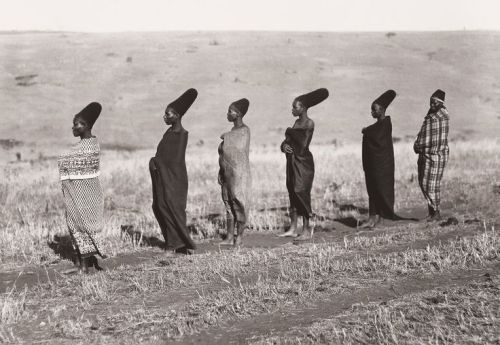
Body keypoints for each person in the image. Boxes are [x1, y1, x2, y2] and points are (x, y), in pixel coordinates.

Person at [58, 102, 106, 273]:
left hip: (87, 194)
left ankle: (84, 267)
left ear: (85, 125)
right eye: (74, 123)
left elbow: (66, 158)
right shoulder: (87, 145)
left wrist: (63, 158)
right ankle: (81, 263)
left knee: (83, 225)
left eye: (77, 123)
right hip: (77, 193)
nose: (73, 127)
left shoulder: (90, 146)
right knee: (74, 224)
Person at [149, 89, 198, 254]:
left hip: (175, 180)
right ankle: (172, 241)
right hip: (163, 177)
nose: (165, 117)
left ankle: (179, 244)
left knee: (174, 207)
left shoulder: (181, 135)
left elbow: (175, 161)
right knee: (161, 205)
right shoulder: (169, 133)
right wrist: (155, 162)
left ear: (177, 116)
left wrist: (157, 162)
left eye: (168, 114)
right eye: (165, 114)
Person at [279, 88, 329, 240]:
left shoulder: (309, 123)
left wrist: (289, 132)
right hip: (291, 161)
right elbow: (288, 142)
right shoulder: (296, 123)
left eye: (295, 106)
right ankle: (293, 228)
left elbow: (302, 143)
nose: (292, 109)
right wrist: (283, 146)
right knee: (292, 193)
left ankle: (308, 228)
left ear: (304, 108)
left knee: (301, 191)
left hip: (303, 163)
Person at [360, 90, 401, 229]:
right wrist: (367, 130)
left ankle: (382, 219)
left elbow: (377, 137)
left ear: (382, 110)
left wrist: (366, 131)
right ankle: (372, 218)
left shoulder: (386, 124)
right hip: (372, 165)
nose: (371, 112)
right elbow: (372, 132)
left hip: (383, 165)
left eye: (374, 109)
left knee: (382, 190)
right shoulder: (376, 126)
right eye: (371, 109)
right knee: (372, 190)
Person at [218, 98, 252, 246]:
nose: (227, 114)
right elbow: (225, 154)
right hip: (227, 173)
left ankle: (239, 236)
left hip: (239, 174)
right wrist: (221, 171)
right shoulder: (231, 132)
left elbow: (236, 152)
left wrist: (225, 138)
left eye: (230, 111)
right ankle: (229, 236)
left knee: (239, 202)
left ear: (238, 114)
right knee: (228, 204)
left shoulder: (244, 131)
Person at [413, 89, 449, 221]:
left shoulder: (442, 117)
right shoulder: (430, 115)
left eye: (434, 103)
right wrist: (417, 145)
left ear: (441, 103)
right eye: (430, 103)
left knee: (432, 184)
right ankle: (431, 213)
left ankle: (437, 213)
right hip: (425, 154)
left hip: (437, 155)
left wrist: (420, 145)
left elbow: (437, 140)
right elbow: (423, 133)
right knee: (423, 182)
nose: (432, 105)